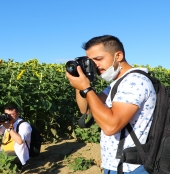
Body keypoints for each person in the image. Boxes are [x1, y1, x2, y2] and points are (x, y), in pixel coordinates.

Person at [66, 35, 156, 174]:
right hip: (116, 164)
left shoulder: (134, 82)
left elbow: (110, 126)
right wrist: (80, 83)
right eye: (90, 61)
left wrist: (86, 88)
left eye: (98, 59)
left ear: (118, 56)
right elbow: (87, 109)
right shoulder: (117, 83)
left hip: (131, 167)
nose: (95, 65)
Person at [0, 103, 32, 173]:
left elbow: (20, 141)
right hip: (4, 151)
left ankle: (17, 164)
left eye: (12, 114)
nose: (9, 117)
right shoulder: (6, 123)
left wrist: (8, 127)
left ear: (18, 114)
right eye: (6, 114)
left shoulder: (24, 125)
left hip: (17, 152)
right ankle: (11, 165)